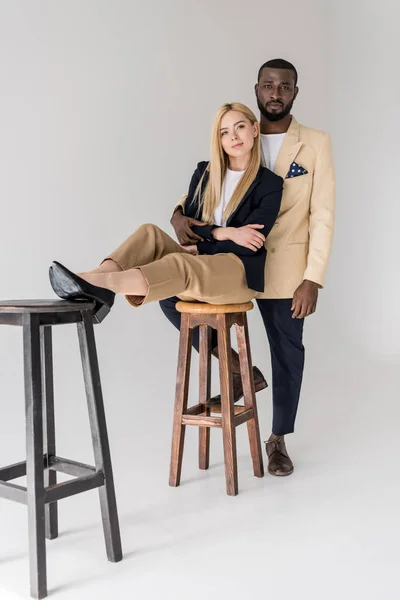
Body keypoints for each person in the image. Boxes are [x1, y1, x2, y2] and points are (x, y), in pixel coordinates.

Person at [161, 59, 336, 477]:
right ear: (257, 89)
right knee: (173, 301)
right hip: (229, 265)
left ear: (295, 92)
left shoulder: (314, 143)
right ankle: (240, 371)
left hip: (285, 270)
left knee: (287, 354)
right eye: (269, 85)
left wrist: (313, 278)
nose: (276, 93)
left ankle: (277, 438)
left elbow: (323, 214)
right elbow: (204, 194)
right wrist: (177, 216)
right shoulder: (237, 135)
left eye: (285, 87)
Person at [49, 102, 283, 348]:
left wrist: (204, 246)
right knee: (149, 233)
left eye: (240, 127)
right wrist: (224, 232)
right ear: (219, 139)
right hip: (200, 264)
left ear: (255, 130)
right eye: (224, 132)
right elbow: (187, 234)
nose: (233, 136)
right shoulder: (204, 173)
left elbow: (248, 245)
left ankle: (102, 286)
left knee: (179, 263)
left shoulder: (269, 184)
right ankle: (94, 277)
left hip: (238, 273)